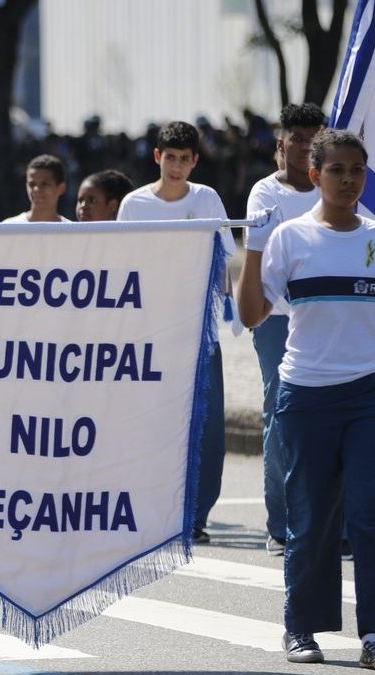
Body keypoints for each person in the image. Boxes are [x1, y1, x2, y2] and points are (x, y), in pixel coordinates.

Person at [237, 129, 375, 673]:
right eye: (336, 170)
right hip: (305, 395)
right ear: (315, 176)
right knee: (310, 518)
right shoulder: (288, 238)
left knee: (374, 514)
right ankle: (301, 626)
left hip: (373, 393)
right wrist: (253, 250)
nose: (348, 179)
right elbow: (251, 315)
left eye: (357, 170)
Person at [117, 120, 233, 544]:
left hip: (200, 335)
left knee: (207, 429)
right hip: (151, 334)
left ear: (195, 161)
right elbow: (123, 269)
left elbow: (222, 263)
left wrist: (227, 308)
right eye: (171, 157)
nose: (178, 166)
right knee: (153, 425)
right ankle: (153, 510)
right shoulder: (133, 204)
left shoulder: (208, 199)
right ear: (157, 157)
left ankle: (196, 515)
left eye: (186, 159)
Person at [242, 102, 326, 555]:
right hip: (276, 318)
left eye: (315, 136)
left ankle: (330, 519)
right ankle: (280, 522)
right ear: (282, 144)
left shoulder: (332, 186)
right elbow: (262, 258)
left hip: (325, 315)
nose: (307, 145)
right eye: (298, 138)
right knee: (281, 411)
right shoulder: (264, 194)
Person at [3, 154, 70, 222]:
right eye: (32, 184)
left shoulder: (71, 230)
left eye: (44, 184)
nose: (36, 189)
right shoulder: (9, 227)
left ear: (61, 188)